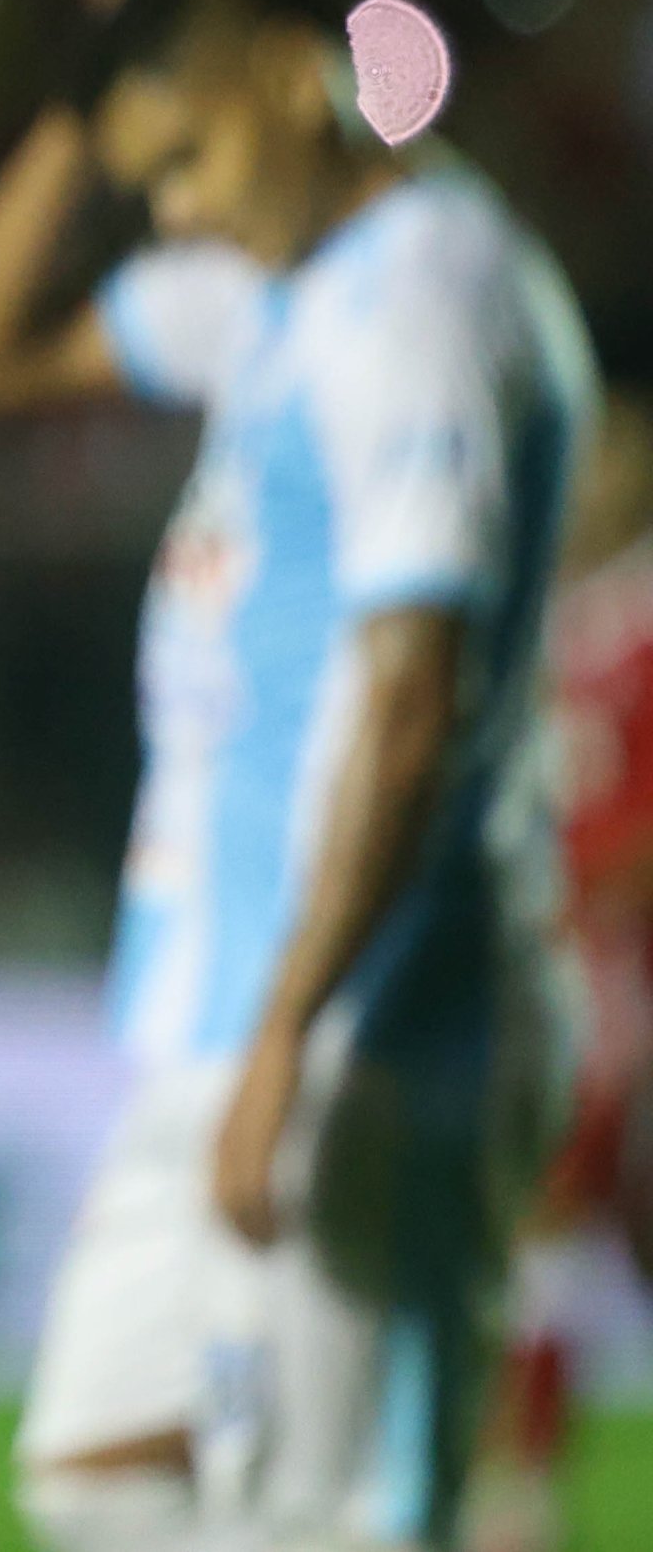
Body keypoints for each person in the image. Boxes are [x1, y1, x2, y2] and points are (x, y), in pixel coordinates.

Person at [0, 0, 592, 1552]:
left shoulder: (415, 300)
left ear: (300, 81)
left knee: (336, 1517)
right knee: (99, 1472)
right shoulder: (279, 291)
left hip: (372, 1013)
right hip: (233, 1015)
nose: (175, 212)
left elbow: (413, 697)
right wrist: (97, 85)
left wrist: (296, 1027)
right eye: (147, 175)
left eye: (190, 156)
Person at [474, 317, 653, 1552]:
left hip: (616, 971)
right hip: (542, 967)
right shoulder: (523, 608)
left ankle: (512, 1487)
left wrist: (575, 878)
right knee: (532, 1220)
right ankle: (512, 1486)